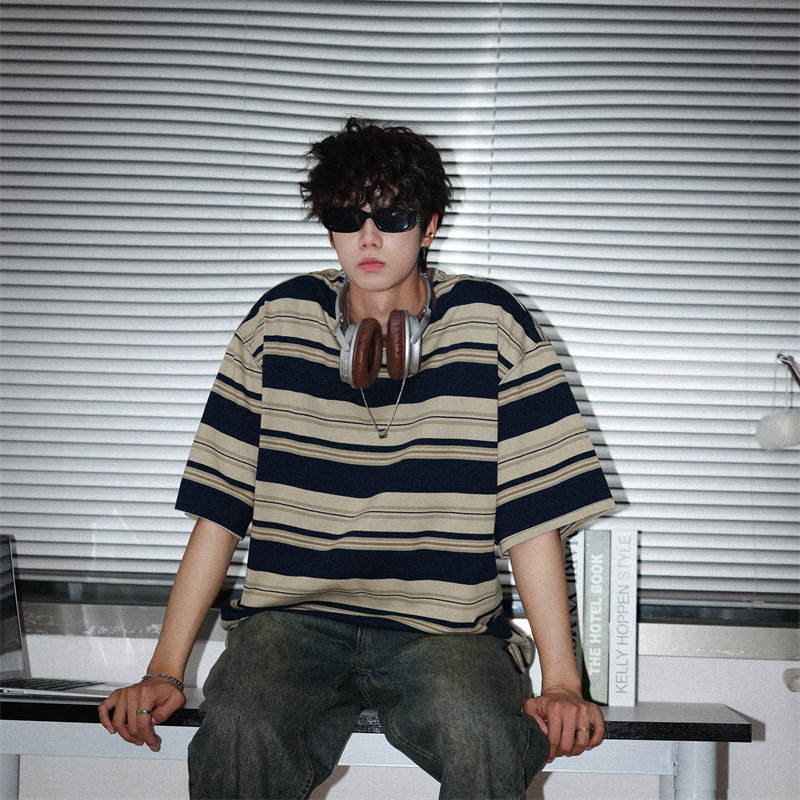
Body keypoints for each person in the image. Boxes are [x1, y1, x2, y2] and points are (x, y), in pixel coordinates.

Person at [99, 117, 616, 800]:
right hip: (290, 621)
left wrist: (563, 683)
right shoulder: (277, 322)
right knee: (241, 732)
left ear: (429, 226)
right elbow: (219, 510)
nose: (368, 238)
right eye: (348, 218)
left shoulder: (493, 324)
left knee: (487, 736)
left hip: (445, 629)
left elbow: (534, 517)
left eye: (392, 216)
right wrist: (163, 670)